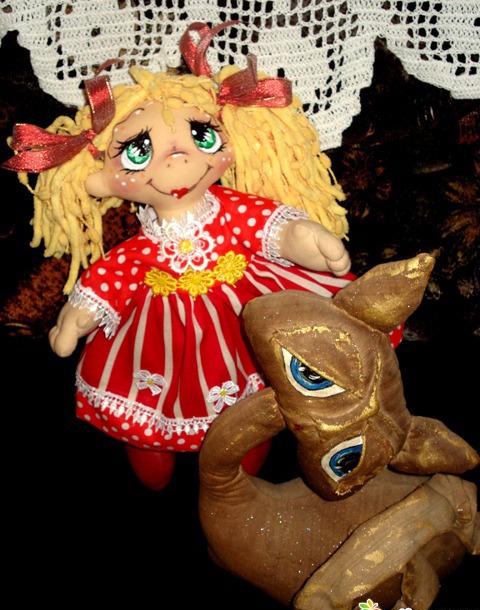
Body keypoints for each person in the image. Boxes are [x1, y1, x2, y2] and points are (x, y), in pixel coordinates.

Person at [3, 22, 355, 490]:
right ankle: (149, 440)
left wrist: (310, 239)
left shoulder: (232, 211)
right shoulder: (138, 249)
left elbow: (273, 228)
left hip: (243, 316)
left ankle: (245, 439)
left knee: (253, 387)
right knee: (151, 391)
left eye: (201, 136)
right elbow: (110, 279)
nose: (177, 160)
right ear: (101, 179)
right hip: (157, 335)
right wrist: (75, 320)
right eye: (139, 152)